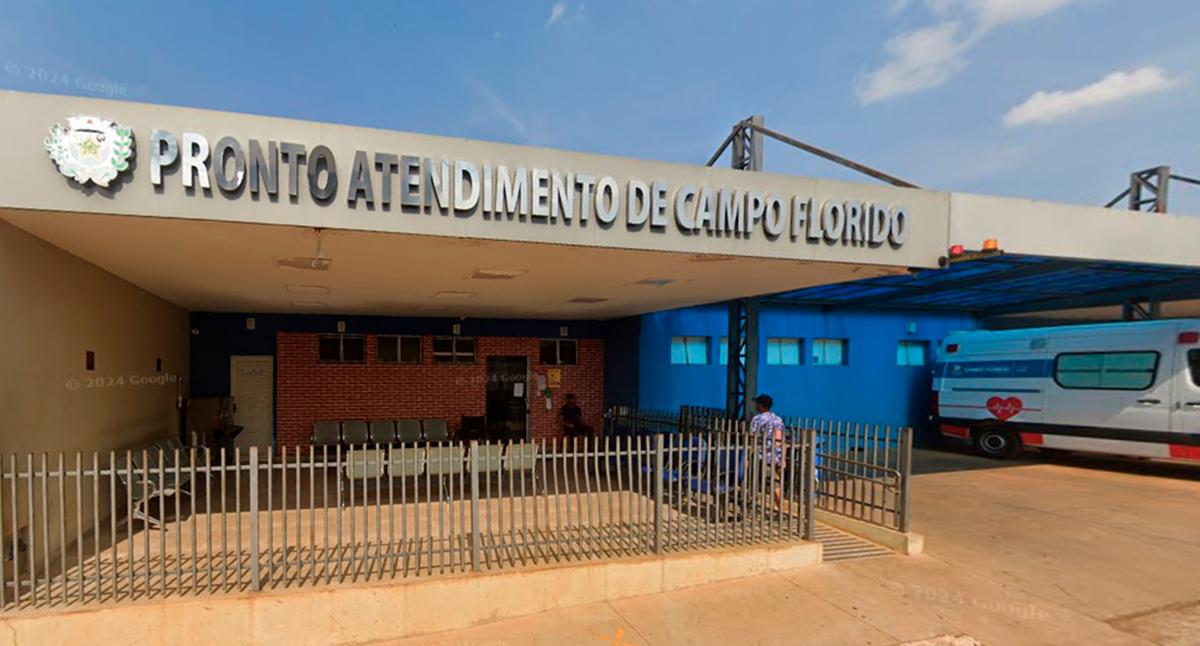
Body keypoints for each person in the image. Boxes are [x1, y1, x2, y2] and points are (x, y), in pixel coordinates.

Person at [749, 394, 785, 506]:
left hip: (761, 456)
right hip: (775, 456)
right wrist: (782, 458)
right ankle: (781, 509)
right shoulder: (777, 419)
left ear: (760, 405)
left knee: (755, 481)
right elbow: (781, 439)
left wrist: (749, 455)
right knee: (775, 483)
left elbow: (753, 438)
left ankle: (753, 503)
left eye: (757, 403)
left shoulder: (757, 419)